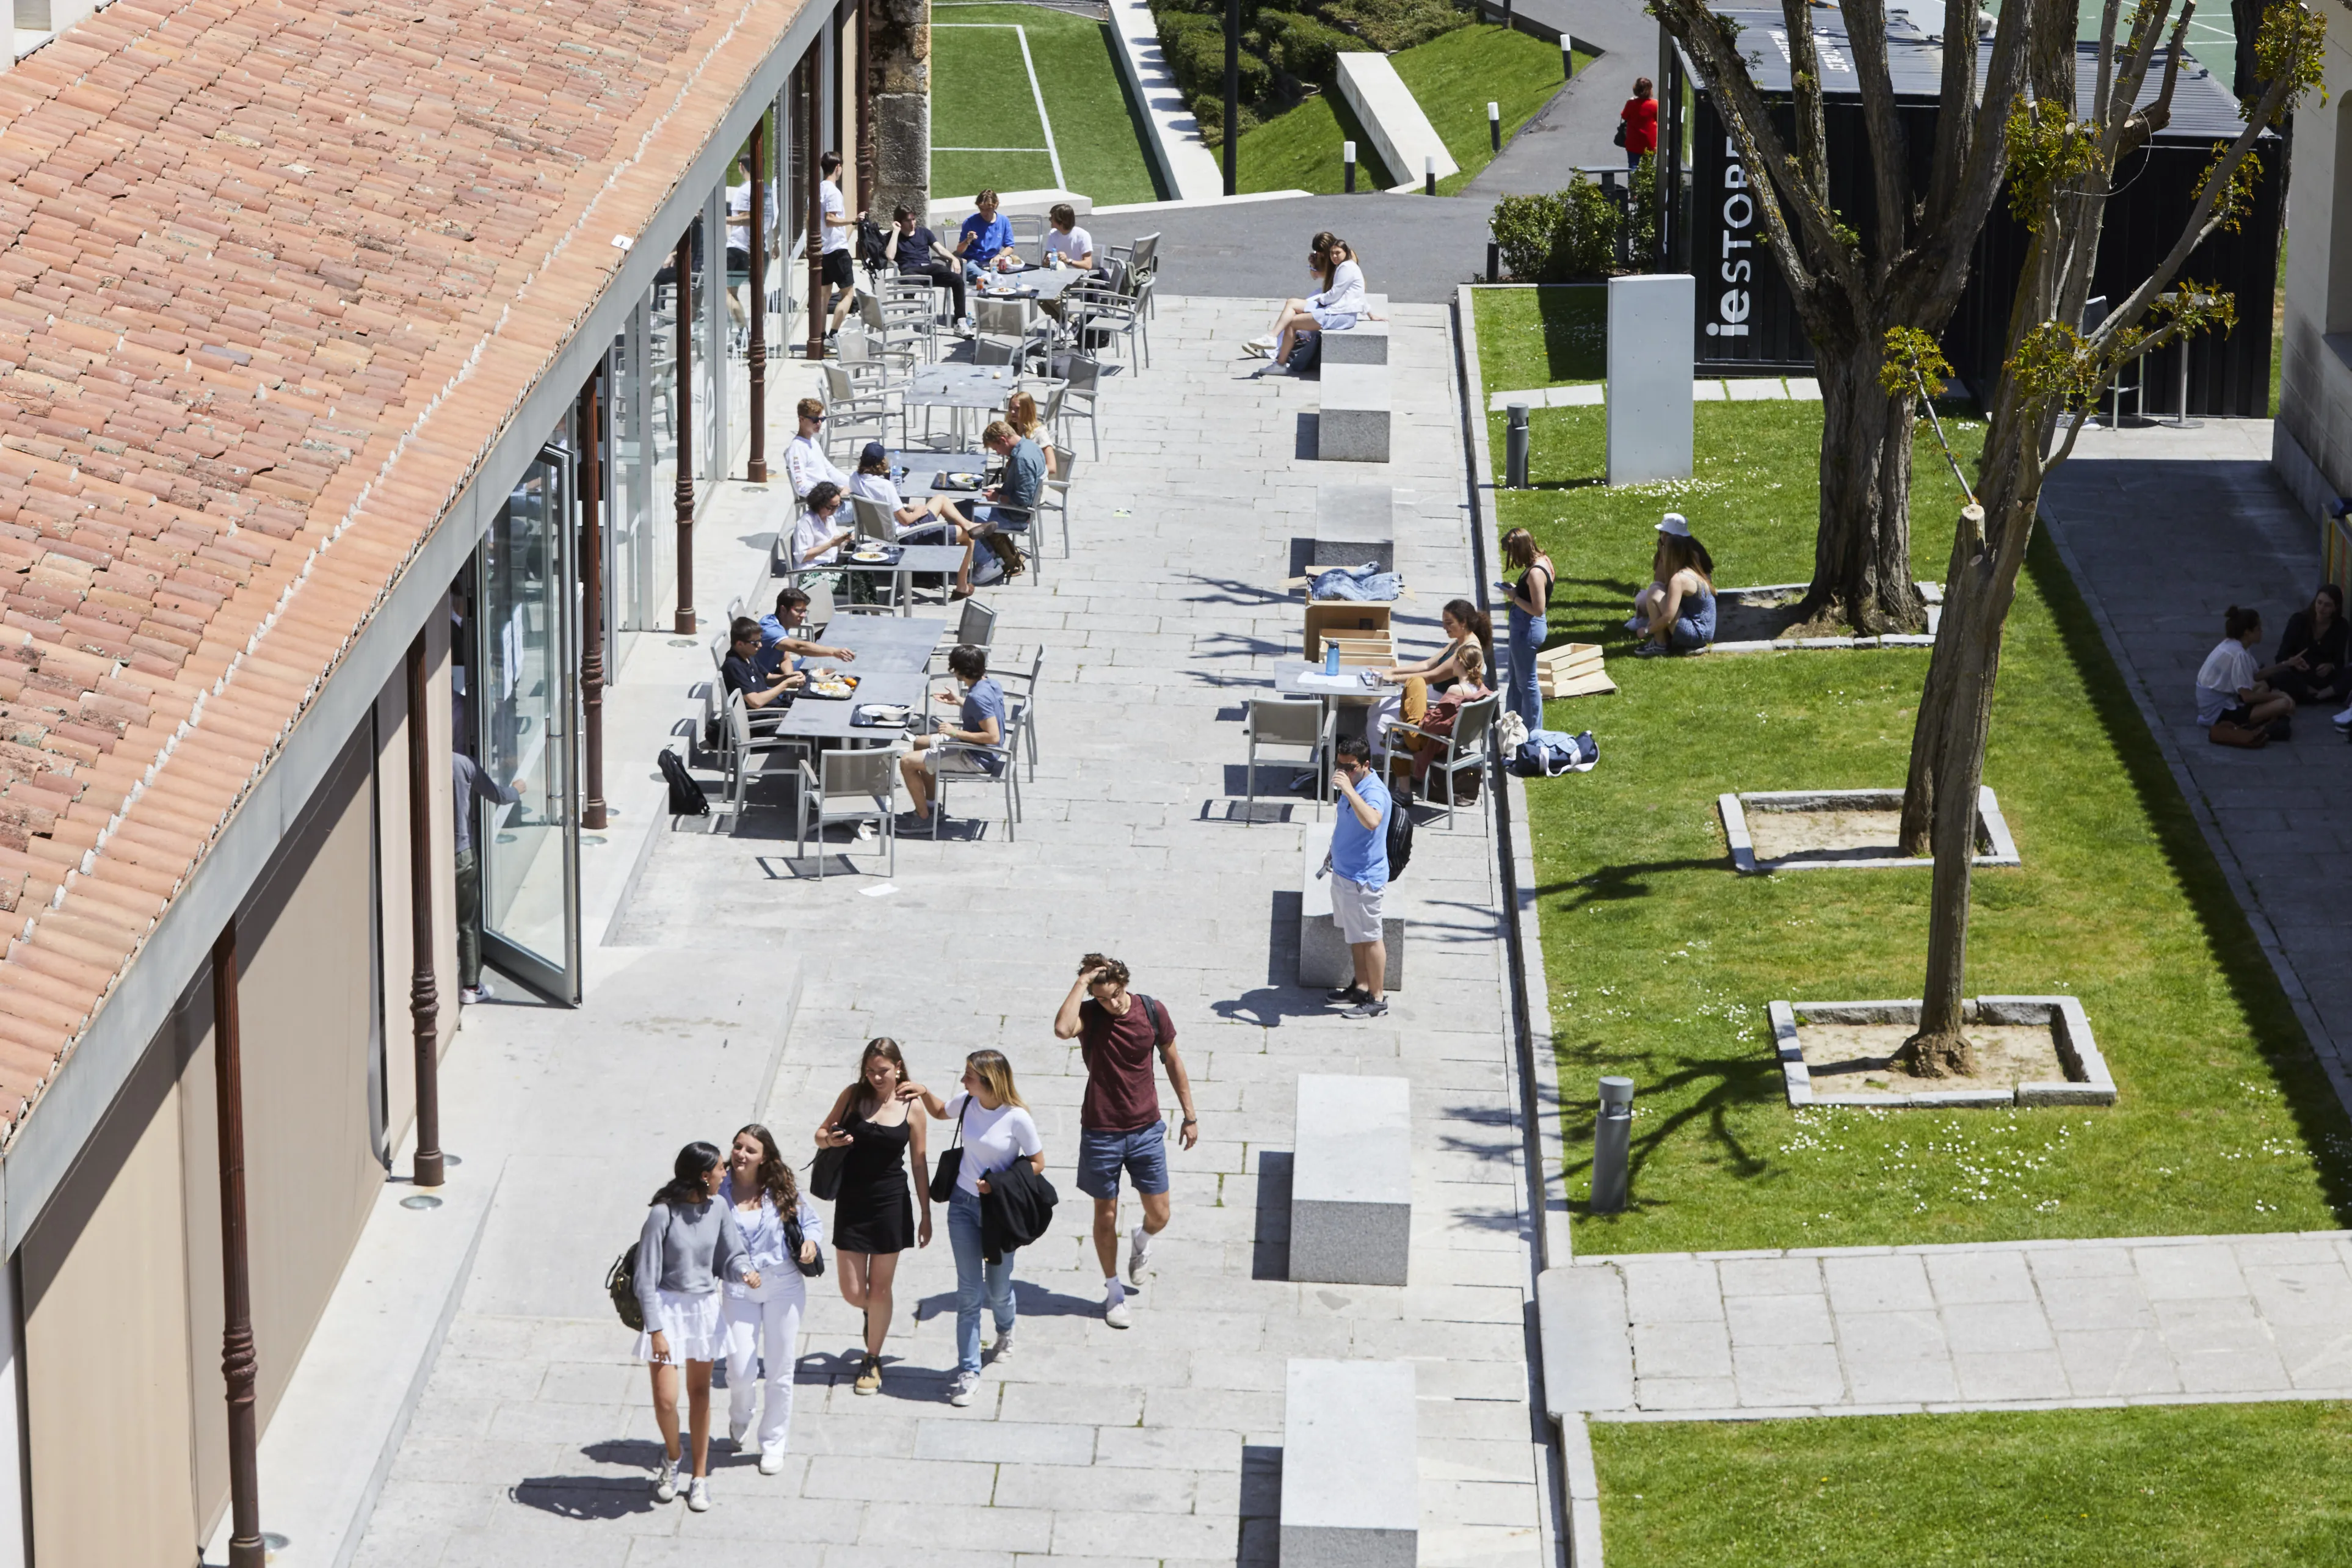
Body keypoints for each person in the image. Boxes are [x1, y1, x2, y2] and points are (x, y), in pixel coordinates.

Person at [1051, 954, 1200, 1329]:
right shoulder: (1090, 1014)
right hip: (1101, 1130)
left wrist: (1190, 1115)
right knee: (1106, 1213)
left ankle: (1142, 1239)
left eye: (1116, 994)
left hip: (1146, 1127)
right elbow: (1062, 1029)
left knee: (1161, 1213)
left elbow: (1173, 1061)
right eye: (1103, 998)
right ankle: (1113, 1290)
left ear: (1125, 984)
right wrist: (1083, 984)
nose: (1112, 1004)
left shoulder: (1152, 1011)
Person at [911, 1050, 1045, 1407]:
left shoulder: (1017, 1118)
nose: (963, 1081)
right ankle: (969, 1371)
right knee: (969, 1293)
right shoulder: (969, 1103)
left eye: (969, 1076)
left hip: (998, 1211)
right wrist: (923, 1090)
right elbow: (941, 1112)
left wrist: (998, 1183)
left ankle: (1005, 1330)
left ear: (989, 1080)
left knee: (999, 1289)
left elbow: (1037, 1163)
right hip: (962, 1208)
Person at [635, 1141, 756, 1512]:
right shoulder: (663, 1213)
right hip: (667, 1307)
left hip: (704, 1307)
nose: (727, 1173)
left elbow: (730, 1254)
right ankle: (673, 1458)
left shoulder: (719, 1207)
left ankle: (699, 1477)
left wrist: (744, 1271)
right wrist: (655, 1328)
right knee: (666, 1398)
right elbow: (645, 1276)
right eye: (721, 1168)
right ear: (704, 1175)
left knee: (700, 1394)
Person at [815, 1038, 934, 1396]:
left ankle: (872, 1357)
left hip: (890, 1204)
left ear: (898, 1067)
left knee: (880, 1288)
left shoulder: (913, 1107)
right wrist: (829, 1141)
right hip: (852, 1202)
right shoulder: (853, 1095)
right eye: (870, 1071)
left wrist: (926, 1214)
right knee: (853, 1292)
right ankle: (876, 1314)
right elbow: (820, 1134)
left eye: (882, 1071)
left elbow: (919, 1162)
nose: (876, 1077)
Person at [719, 1125, 821, 1474]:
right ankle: (740, 1414)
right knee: (740, 1370)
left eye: (750, 1150)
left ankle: (774, 1443)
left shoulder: (779, 1188)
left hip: (783, 1284)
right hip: (739, 1287)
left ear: (765, 1158)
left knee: (780, 1370)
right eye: (737, 1147)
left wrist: (811, 1244)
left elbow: (812, 1223)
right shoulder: (718, 1190)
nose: (741, 1155)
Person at [1369, 600, 1494, 762]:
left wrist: (1393, 679)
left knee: (1376, 723)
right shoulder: (1460, 641)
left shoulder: (1467, 651)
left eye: (1449, 623)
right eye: (1443, 623)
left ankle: (1384, 765)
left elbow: (1431, 676)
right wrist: (1389, 671)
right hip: (1433, 695)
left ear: (1463, 623)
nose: (1444, 628)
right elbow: (1427, 664)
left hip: (1435, 702)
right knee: (1373, 710)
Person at [898, 643, 1005, 826]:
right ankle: (931, 807)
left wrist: (954, 732)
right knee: (920, 742)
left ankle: (923, 818)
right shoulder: (990, 684)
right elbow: (984, 711)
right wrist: (959, 701)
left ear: (959, 671)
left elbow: (993, 737)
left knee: (906, 762)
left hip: (976, 756)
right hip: (980, 748)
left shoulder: (977, 697)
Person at [851, 443, 978, 596]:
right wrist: (918, 512)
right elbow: (906, 520)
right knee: (968, 536)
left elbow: (879, 504)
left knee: (940, 499)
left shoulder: (854, 479)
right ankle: (962, 587)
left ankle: (969, 524)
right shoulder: (885, 486)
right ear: (881, 462)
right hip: (906, 536)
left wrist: (905, 506)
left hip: (881, 533)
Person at [1324, 735, 1392, 1019]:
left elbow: (1372, 820)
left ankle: (1377, 998)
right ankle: (1361, 985)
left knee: (1371, 937)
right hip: (1344, 873)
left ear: (1365, 765)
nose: (1343, 772)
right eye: (1339, 766)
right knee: (1356, 936)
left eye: (1349, 767)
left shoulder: (1372, 791)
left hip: (1363, 880)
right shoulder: (1353, 784)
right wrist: (1332, 852)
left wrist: (1350, 791)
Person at [451, 749, 519, 1005]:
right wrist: (517, 790)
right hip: (461, 854)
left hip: (428, 855)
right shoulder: (462, 764)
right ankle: (471, 986)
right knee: (467, 923)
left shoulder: (415, 758)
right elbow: (498, 795)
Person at [1258, 238, 1368, 373]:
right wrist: (1369, 312)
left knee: (1293, 323)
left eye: (1337, 253)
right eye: (1332, 253)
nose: (1334, 256)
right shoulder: (1345, 266)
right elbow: (1356, 293)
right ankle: (1271, 338)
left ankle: (1279, 363)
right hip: (1335, 310)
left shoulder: (1347, 267)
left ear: (1345, 252)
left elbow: (1334, 294)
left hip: (1339, 315)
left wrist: (1318, 301)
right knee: (1292, 303)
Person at [1399, 642, 1496, 794]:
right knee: (1402, 723)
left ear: (1459, 662)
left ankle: (1404, 791)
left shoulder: (1456, 690)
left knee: (1414, 682)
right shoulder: (1482, 690)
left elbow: (1431, 725)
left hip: (1432, 742)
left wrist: (1428, 713)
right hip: (1451, 741)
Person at [2198, 605, 2295, 738]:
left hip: (2220, 702)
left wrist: (2286, 664)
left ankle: (2263, 716)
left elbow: (2255, 675)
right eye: (2258, 628)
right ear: (2247, 633)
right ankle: (2253, 722)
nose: (2262, 631)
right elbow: (2247, 697)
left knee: (2263, 685)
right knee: (2285, 704)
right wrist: (2280, 696)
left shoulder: (2234, 644)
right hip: (2219, 713)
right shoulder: (2239, 654)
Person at [1632, 514, 1717, 656]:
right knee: (1656, 589)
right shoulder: (1690, 567)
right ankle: (1661, 640)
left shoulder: (1679, 579)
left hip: (1697, 635)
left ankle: (1660, 644)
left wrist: (1647, 631)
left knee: (1654, 591)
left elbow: (1668, 617)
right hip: (1702, 629)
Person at [1246, 232, 1338, 359]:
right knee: (1291, 311)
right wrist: (1314, 265)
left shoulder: (1341, 258)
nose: (1320, 255)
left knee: (1293, 310)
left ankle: (1272, 347)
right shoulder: (1330, 256)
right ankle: (1272, 343)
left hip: (1332, 300)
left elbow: (1353, 283)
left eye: (1321, 252)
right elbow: (1317, 276)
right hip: (1326, 296)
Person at [1498, 527, 1555, 724]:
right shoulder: (1543, 561)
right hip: (1525, 627)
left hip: (1527, 629)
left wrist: (1514, 597)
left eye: (1512, 553)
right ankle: (1511, 723)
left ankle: (1533, 732)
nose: (1512, 559)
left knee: (1528, 684)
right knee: (1516, 680)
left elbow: (1538, 609)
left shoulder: (1536, 573)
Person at [2260, 584, 2349, 708]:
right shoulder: (2299, 621)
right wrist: (2293, 661)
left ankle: (2320, 696)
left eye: (2327, 605)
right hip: (2300, 676)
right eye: (2319, 602)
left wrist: (2331, 666)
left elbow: (2340, 661)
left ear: (2336, 607)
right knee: (2279, 677)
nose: (2321, 608)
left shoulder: (2342, 626)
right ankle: (2323, 695)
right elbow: (2281, 657)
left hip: (2324, 678)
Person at [886, 203, 967, 326]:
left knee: (957, 280)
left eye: (913, 219)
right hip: (910, 271)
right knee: (908, 284)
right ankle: (910, 323)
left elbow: (940, 250)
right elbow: (890, 256)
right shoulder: (893, 237)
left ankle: (960, 322)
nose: (912, 223)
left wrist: (954, 259)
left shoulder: (924, 232)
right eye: (908, 221)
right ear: (899, 222)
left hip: (929, 270)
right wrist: (896, 232)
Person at [756, 585, 857, 677]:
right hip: (763, 680)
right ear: (783, 610)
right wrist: (834, 652)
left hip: (774, 672)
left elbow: (785, 658)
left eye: (804, 611)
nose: (803, 616)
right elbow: (799, 647)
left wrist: (791, 677)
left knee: (812, 661)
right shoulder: (770, 629)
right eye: (799, 611)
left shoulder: (782, 624)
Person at [818, 151, 860, 341]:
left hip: (824, 250)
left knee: (824, 296)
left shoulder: (818, 190)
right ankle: (833, 335)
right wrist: (852, 220)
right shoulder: (833, 192)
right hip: (837, 249)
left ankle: (819, 336)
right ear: (838, 168)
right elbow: (830, 219)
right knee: (848, 295)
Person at [723, 615, 805, 711]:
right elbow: (756, 702)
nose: (760, 645)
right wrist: (785, 684)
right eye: (755, 643)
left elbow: (768, 678)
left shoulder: (748, 655)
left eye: (760, 641)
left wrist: (788, 677)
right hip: (762, 716)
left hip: (774, 706)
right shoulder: (734, 666)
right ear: (740, 644)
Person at [785, 398, 850, 499]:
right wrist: (835, 492)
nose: (819, 423)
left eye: (822, 419)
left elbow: (830, 471)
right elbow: (802, 488)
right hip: (825, 503)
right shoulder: (797, 449)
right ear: (801, 419)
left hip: (833, 496)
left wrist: (854, 484)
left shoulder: (813, 442)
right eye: (815, 420)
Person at [955, 189, 1019, 283]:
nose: (985, 213)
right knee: (969, 267)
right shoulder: (970, 222)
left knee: (1011, 276)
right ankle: (989, 278)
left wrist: (1000, 256)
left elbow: (1010, 247)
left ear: (996, 205)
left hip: (992, 262)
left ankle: (993, 280)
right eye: (982, 209)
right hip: (973, 262)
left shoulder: (1004, 221)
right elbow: (959, 250)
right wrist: (968, 240)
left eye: (988, 209)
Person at [793, 482, 856, 571]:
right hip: (812, 570)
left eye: (838, 506)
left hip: (830, 565)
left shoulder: (829, 519)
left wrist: (844, 541)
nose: (835, 510)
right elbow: (802, 557)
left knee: (865, 573)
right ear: (819, 504)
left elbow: (834, 548)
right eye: (831, 507)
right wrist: (830, 544)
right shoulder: (806, 522)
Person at [1004, 390, 1059, 479]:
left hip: (1034, 484)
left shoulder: (1039, 433)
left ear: (1028, 410)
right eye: (1011, 408)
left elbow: (1052, 467)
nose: (1013, 412)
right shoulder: (1014, 431)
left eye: (1017, 409)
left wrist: (1026, 471)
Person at [1044, 202, 1095, 273]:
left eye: (1052, 217)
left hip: (1078, 279)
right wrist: (1046, 262)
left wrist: (1068, 261)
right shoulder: (1053, 234)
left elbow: (1088, 265)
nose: (1050, 219)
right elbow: (1044, 263)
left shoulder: (1083, 236)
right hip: (1057, 276)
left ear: (1061, 221)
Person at [1621, 77, 1658, 168]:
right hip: (1649, 142)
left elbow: (1624, 116)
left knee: (1633, 166)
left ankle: (1633, 182)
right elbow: (1658, 118)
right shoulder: (1655, 104)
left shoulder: (1631, 104)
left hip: (1633, 141)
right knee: (1647, 167)